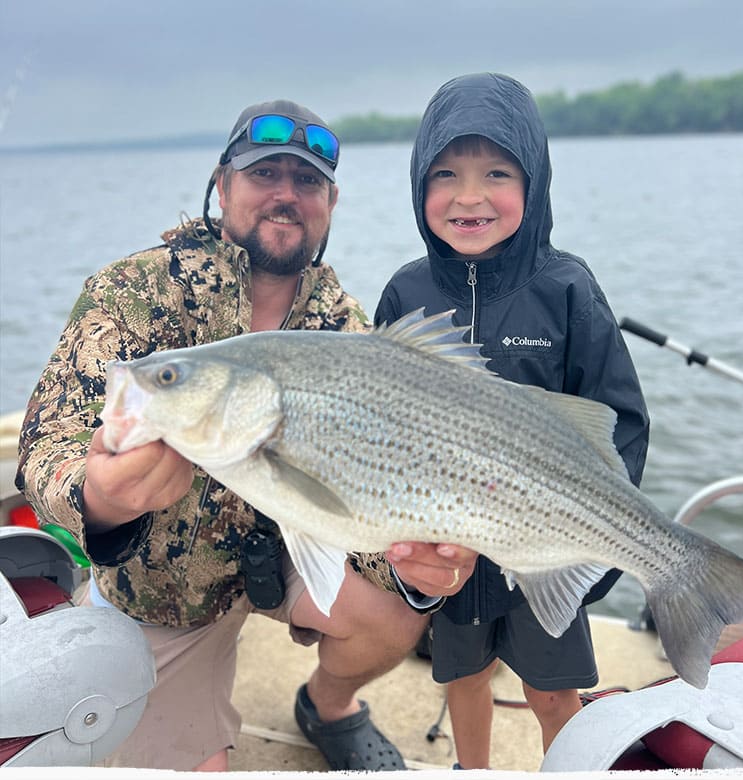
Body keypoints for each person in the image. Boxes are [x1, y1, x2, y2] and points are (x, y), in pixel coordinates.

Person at [14, 99, 440, 772]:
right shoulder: (133, 291)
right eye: (263, 173)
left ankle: (327, 706)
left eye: (306, 182)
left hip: (287, 548)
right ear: (222, 185)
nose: (285, 195)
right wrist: (98, 498)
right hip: (163, 590)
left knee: (403, 611)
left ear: (330, 201)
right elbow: (47, 444)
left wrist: (416, 566)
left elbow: (374, 490)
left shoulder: (349, 329)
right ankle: (104, 624)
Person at [376, 73, 651, 768]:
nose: (470, 196)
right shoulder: (405, 292)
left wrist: (589, 557)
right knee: (462, 678)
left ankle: (564, 766)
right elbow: (380, 420)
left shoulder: (567, 287)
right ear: (418, 185)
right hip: (452, 547)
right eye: (446, 174)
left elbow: (619, 419)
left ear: (535, 182)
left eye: (496, 172)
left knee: (554, 693)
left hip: (549, 540)